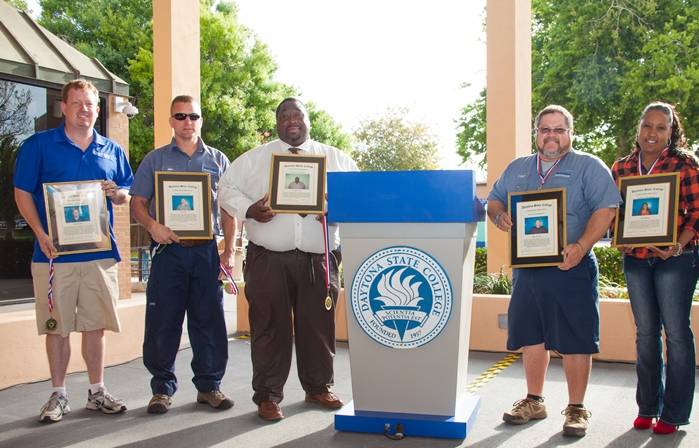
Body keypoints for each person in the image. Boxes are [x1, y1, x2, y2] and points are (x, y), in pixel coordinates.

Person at [218, 97, 358, 421]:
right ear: (278, 122)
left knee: (318, 327)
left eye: (298, 114)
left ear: (308, 120)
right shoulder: (254, 160)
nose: (292, 120)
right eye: (285, 115)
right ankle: (267, 396)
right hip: (268, 259)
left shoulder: (337, 159)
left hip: (318, 257)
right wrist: (249, 210)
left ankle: (318, 387)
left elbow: (356, 198)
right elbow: (225, 189)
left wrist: (333, 209)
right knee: (268, 327)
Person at [487, 105, 621, 437]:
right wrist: (499, 215)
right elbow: (493, 200)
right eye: (545, 129)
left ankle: (577, 408)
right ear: (537, 133)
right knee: (531, 336)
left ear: (569, 134)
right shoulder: (517, 168)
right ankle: (534, 400)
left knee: (577, 339)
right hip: (527, 271)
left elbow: (607, 208)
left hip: (571, 266)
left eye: (559, 129)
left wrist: (581, 247)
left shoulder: (588, 166)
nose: (551, 136)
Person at [13, 79, 132, 423]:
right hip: (54, 256)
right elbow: (22, 194)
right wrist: (39, 233)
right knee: (58, 327)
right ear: (63, 107)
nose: (84, 109)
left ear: (99, 109)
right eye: (77, 103)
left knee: (96, 326)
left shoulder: (112, 150)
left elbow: (126, 191)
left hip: (99, 254)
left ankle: (97, 391)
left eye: (91, 104)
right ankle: (58, 394)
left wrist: (117, 194)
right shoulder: (38, 146)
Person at [130, 95, 236, 414]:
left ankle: (209, 387)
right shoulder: (155, 160)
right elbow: (137, 203)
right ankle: (162, 389)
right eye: (180, 116)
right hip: (168, 252)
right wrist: (152, 226)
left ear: (201, 120)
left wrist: (229, 251)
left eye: (193, 116)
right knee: (164, 321)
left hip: (206, 252)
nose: (187, 121)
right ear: (171, 120)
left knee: (209, 321)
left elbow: (230, 210)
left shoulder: (219, 161)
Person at [611, 102, 699, 435]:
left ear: (672, 132)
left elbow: (697, 214)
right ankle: (648, 407)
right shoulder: (621, 168)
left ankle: (673, 413)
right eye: (648, 125)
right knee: (645, 334)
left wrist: (677, 242)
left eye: (661, 127)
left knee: (676, 334)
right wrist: (618, 236)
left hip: (676, 259)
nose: (652, 133)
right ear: (639, 128)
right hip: (635, 259)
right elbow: (614, 212)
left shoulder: (686, 165)